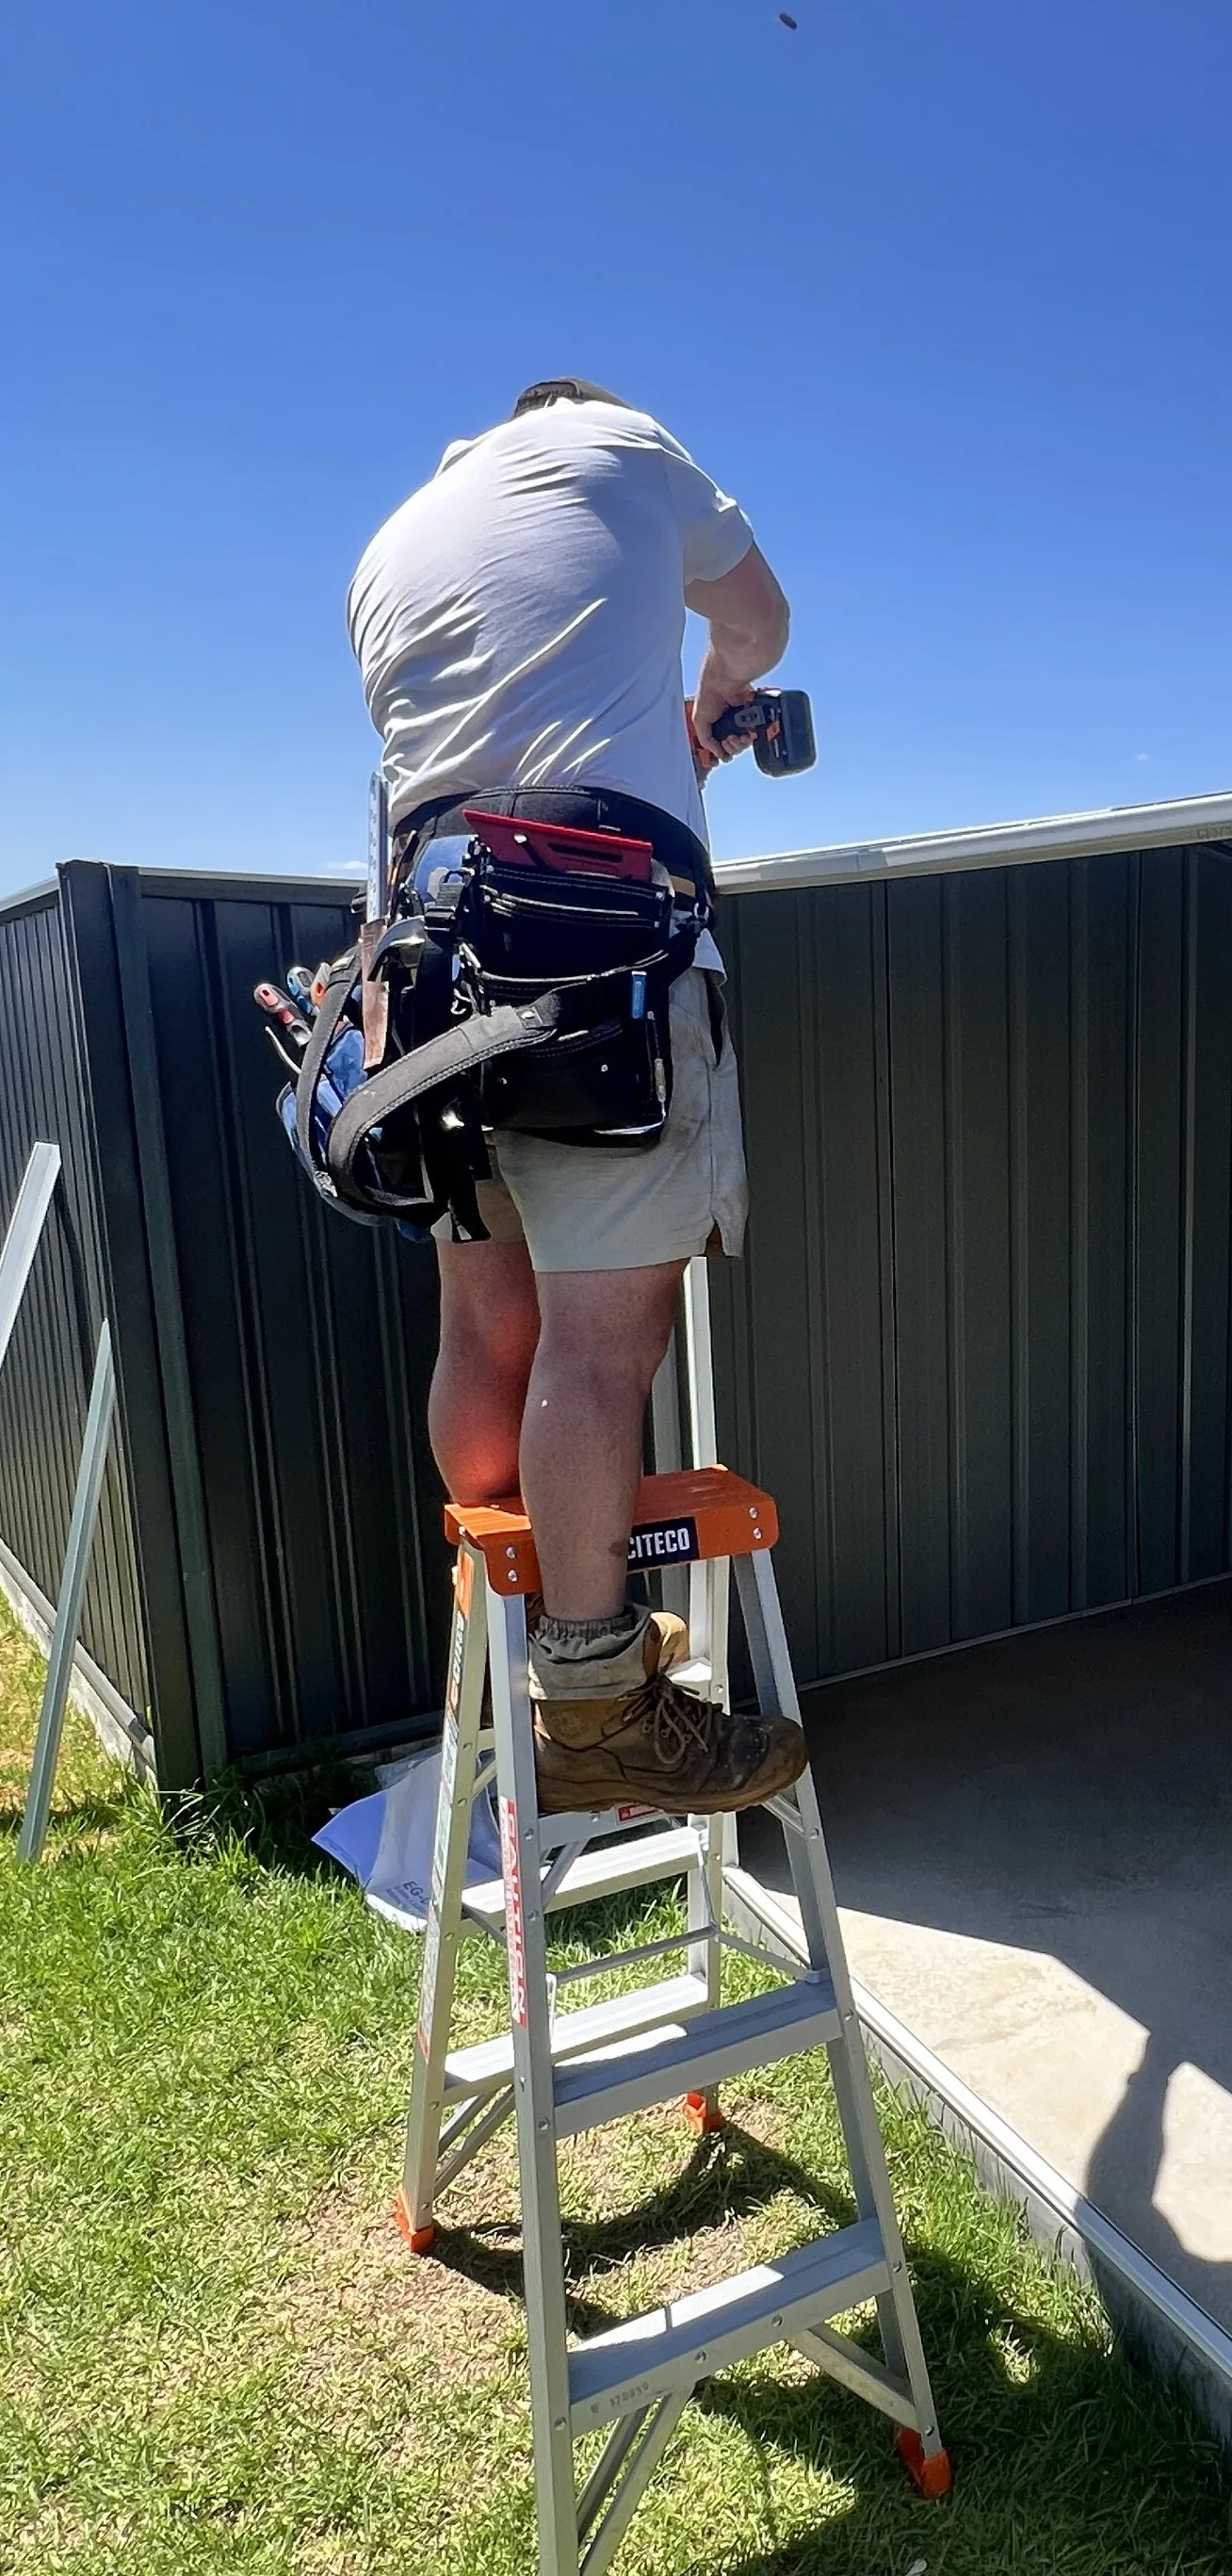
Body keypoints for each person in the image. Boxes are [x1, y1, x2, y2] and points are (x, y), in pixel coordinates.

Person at [348, 378, 804, 1816]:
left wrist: (664, 738)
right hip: (601, 961)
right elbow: (761, 620)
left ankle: (510, 1611)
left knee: (489, 1321)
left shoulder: (394, 542)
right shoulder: (618, 442)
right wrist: (720, 697)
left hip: (427, 973)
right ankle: (597, 1699)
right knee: (603, 1351)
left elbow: (506, 736)